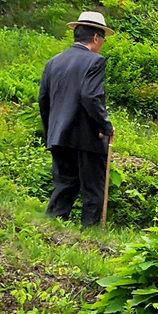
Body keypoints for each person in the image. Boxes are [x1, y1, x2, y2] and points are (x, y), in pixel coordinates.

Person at [39, 11, 115, 226]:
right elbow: (90, 96)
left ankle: (51, 229)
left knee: (64, 186)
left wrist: (50, 131)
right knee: (93, 190)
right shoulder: (95, 61)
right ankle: (90, 234)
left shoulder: (53, 62)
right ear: (96, 37)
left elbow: (43, 100)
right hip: (87, 137)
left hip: (58, 135)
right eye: (103, 39)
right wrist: (106, 125)